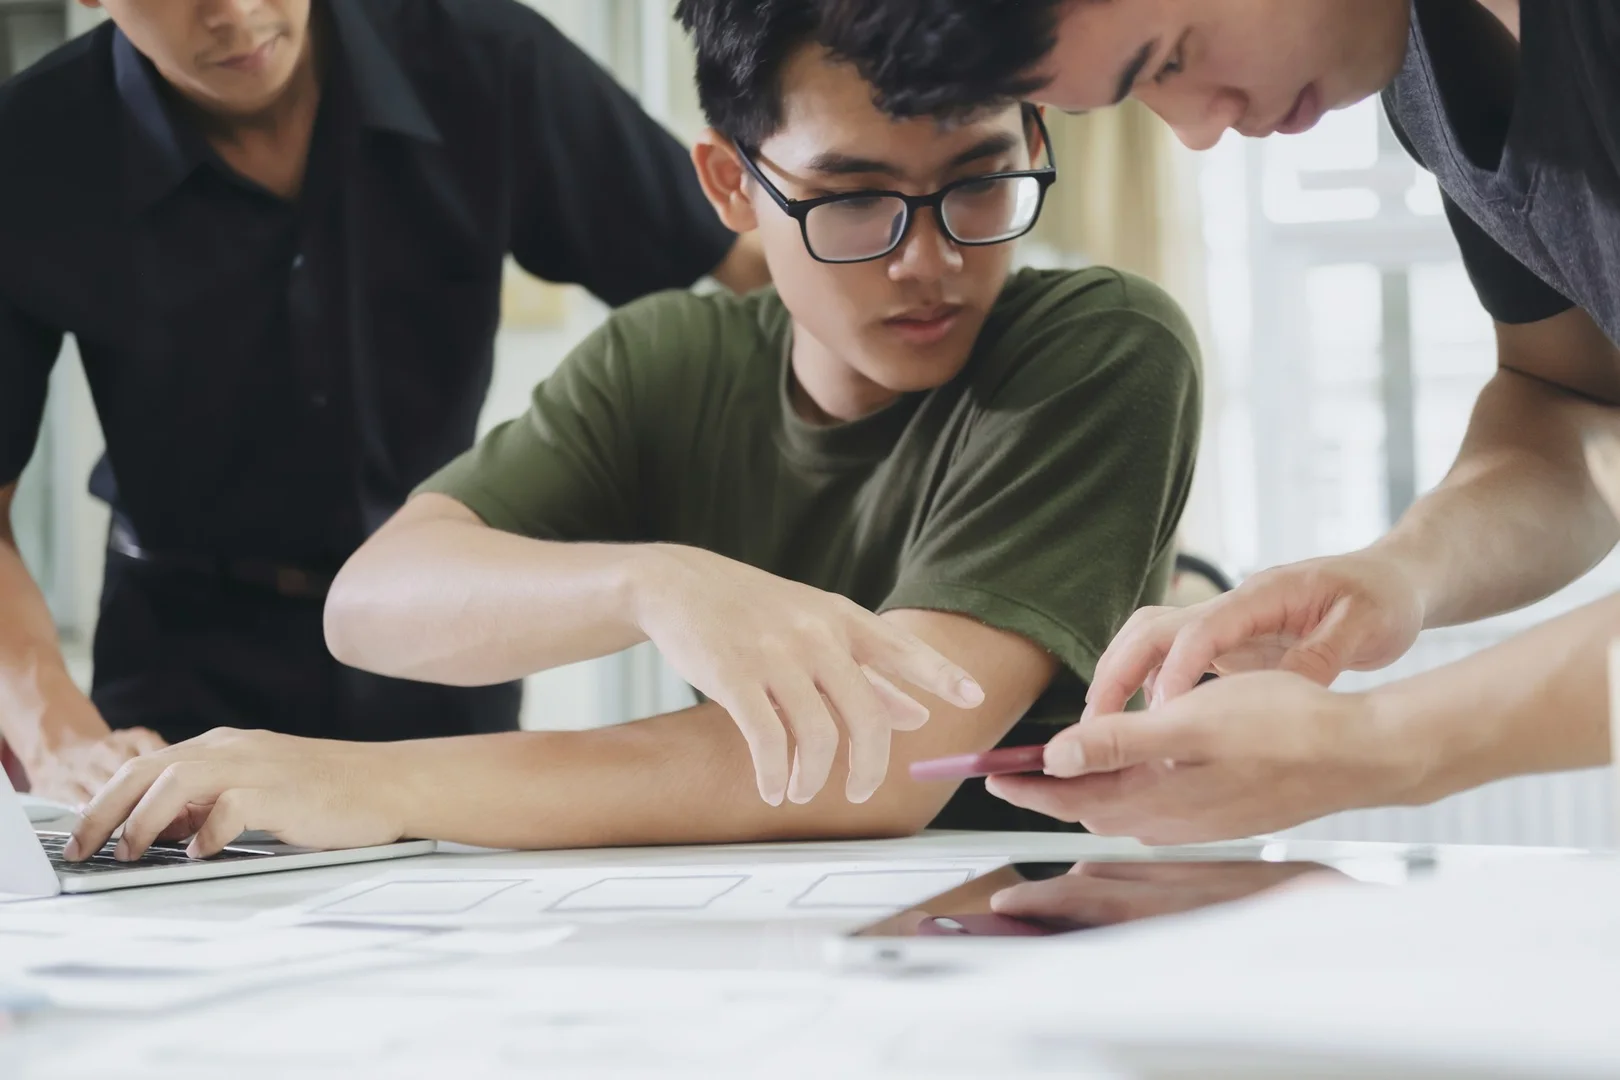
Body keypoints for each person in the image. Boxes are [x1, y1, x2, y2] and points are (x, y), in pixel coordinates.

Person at [63, 0, 1202, 861]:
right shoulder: (668, 358)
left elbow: (884, 766)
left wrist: (376, 786)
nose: (928, 259)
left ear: (1036, 140)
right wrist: (653, 584)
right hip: (750, 938)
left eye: (979, 182)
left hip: (1027, 929)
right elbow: (373, 608)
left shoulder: (1102, 347)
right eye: (852, 197)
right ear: (731, 186)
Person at [818, 0, 1620, 843]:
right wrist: (1401, 573)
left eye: (1167, 58)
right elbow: (1571, 403)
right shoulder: (1427, 65)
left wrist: (1374, 744)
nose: (1199, 132)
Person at [0, 0, 772, 806]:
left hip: (439, 639)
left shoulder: (486, 60)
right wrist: (57, 735)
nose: (234, 10)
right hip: (183, 664)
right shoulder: (27, 149)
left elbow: (759, 269)